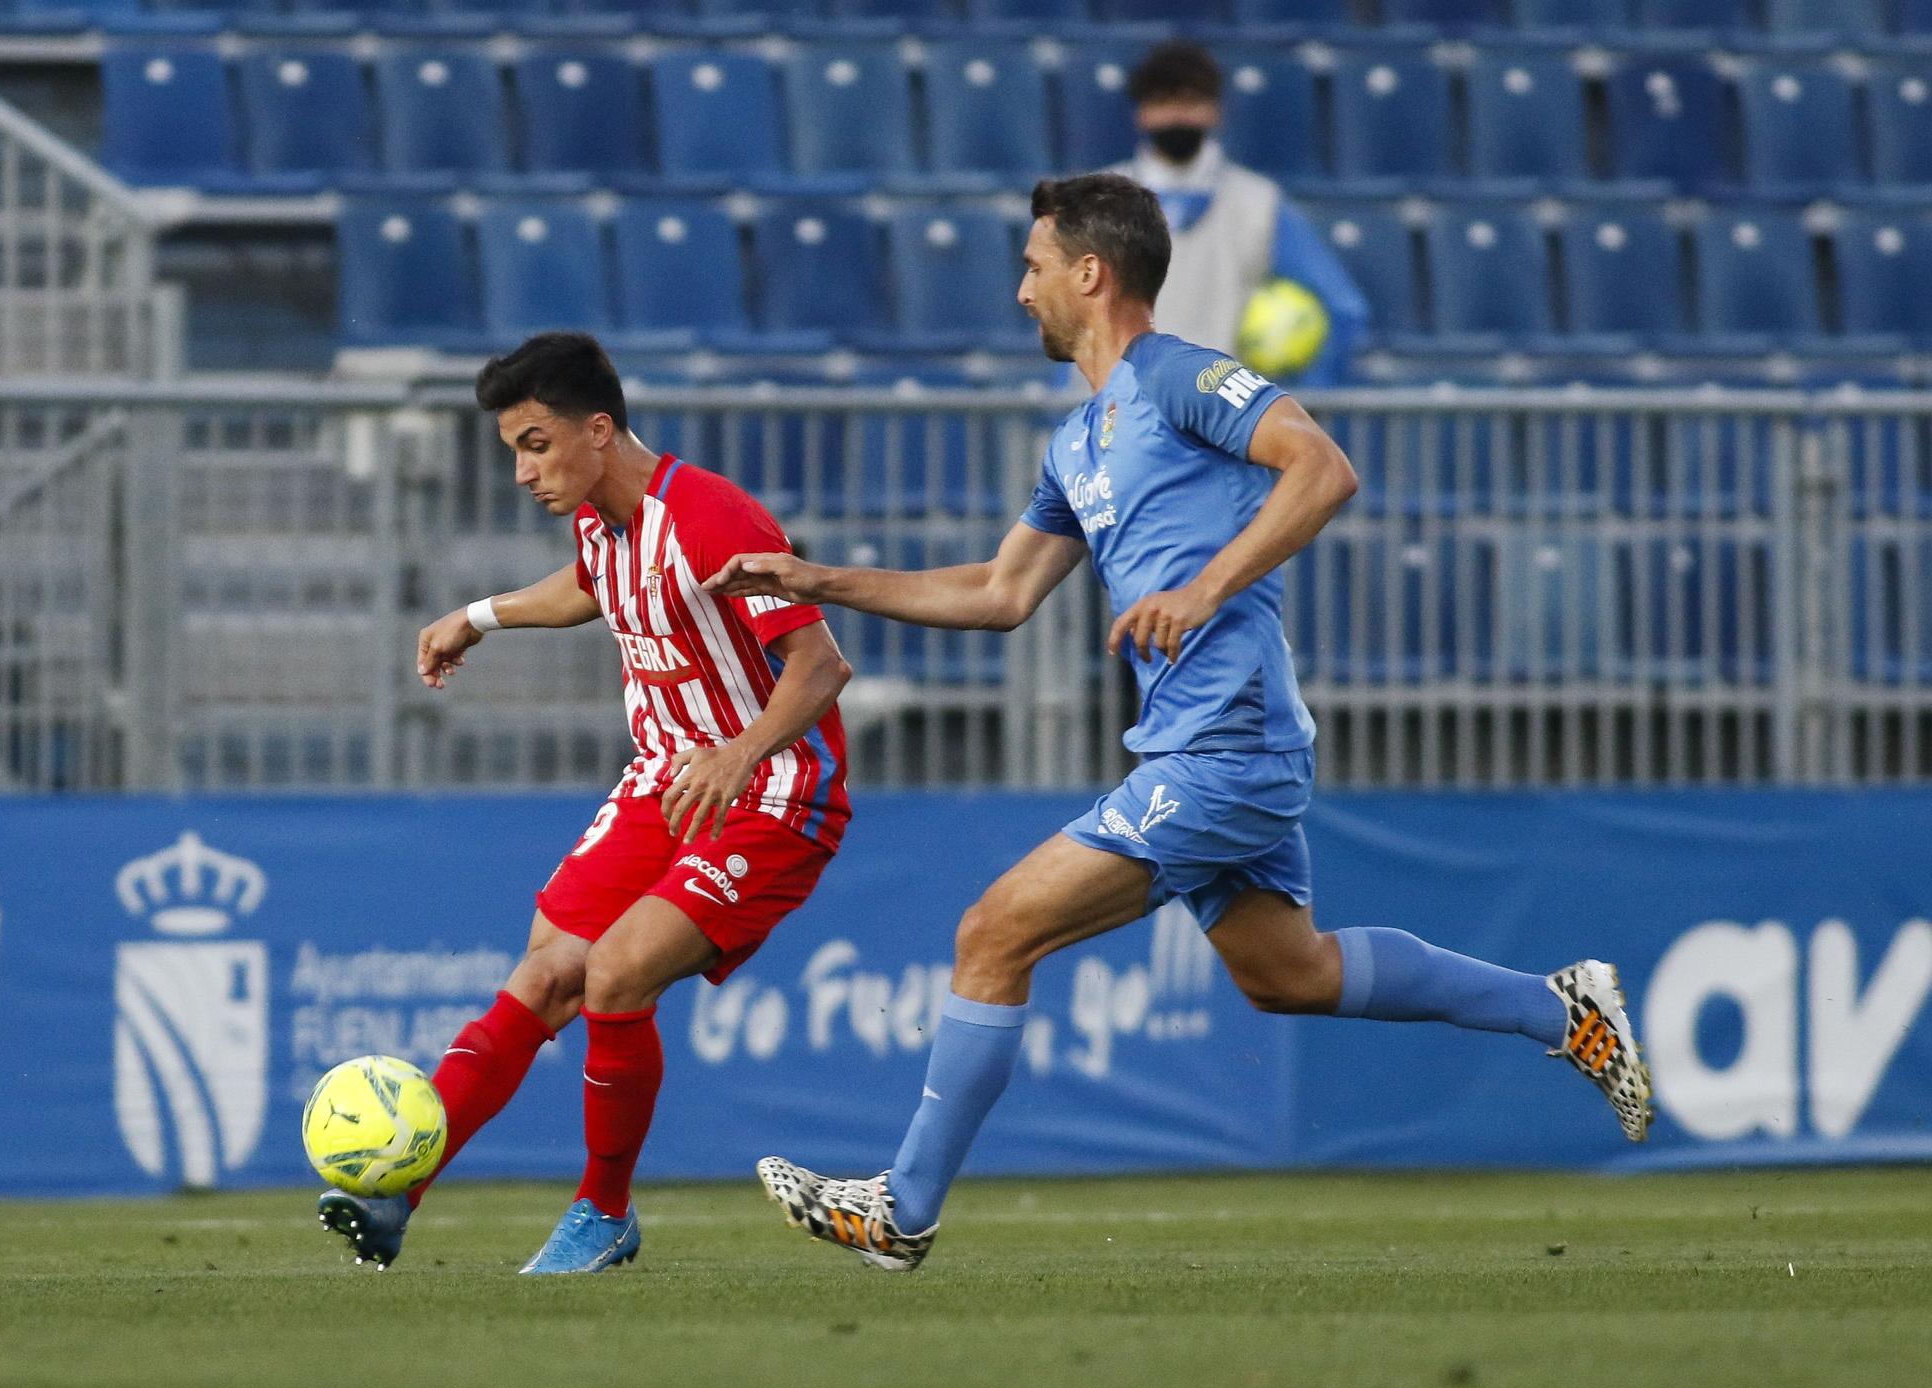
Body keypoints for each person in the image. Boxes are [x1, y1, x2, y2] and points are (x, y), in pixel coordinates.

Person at [708, 174, 1651, 1273]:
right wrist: (818, 578)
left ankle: (900, 1210)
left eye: (1031, 266)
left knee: (990, 932)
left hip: (1225, 744)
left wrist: (1203, 588)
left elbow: (1322, 469)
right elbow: (999, 595)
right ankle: (1560, 1010)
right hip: (1197, 743)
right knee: (1283, 973)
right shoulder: (1075, 442)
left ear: (1088, 274)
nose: (1020, 292)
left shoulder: (1180, 378)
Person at [317, 331, 854, 1274]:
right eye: (513, 450)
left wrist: (738, 751)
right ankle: (403, 1189)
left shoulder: (713, 516)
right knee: (544, 975)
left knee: (614, 975)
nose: (523, 471)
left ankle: (604, 1210)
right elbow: (590, 587)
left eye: (535, 443)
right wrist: (477, 617)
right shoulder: (602, 522)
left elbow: (821, 665)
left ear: (597, 429)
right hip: (663, 781)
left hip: (770, 789)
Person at [1115, 41, 1368, 387]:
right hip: (1118, 420)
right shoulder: (1098, 202)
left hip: (1220, 426)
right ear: (1141, 114)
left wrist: (1302, 407)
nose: (1177, 116)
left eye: (1191, 102)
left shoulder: (1259, 204)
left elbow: (1343, 309)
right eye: (1163, 103)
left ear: (1216, 111)